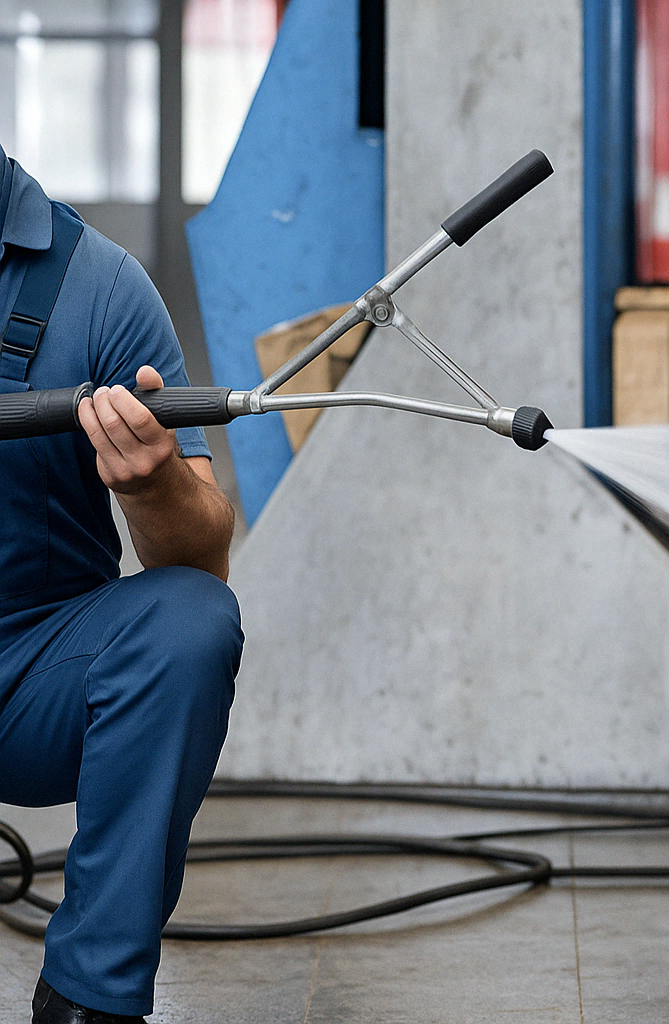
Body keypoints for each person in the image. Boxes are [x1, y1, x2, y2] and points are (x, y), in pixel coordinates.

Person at [0, 144, 242, 1023]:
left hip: (28, 677)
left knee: (189, 619)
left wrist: (153, 483)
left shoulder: (97, 286)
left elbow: (201, 559)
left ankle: (89, 996)